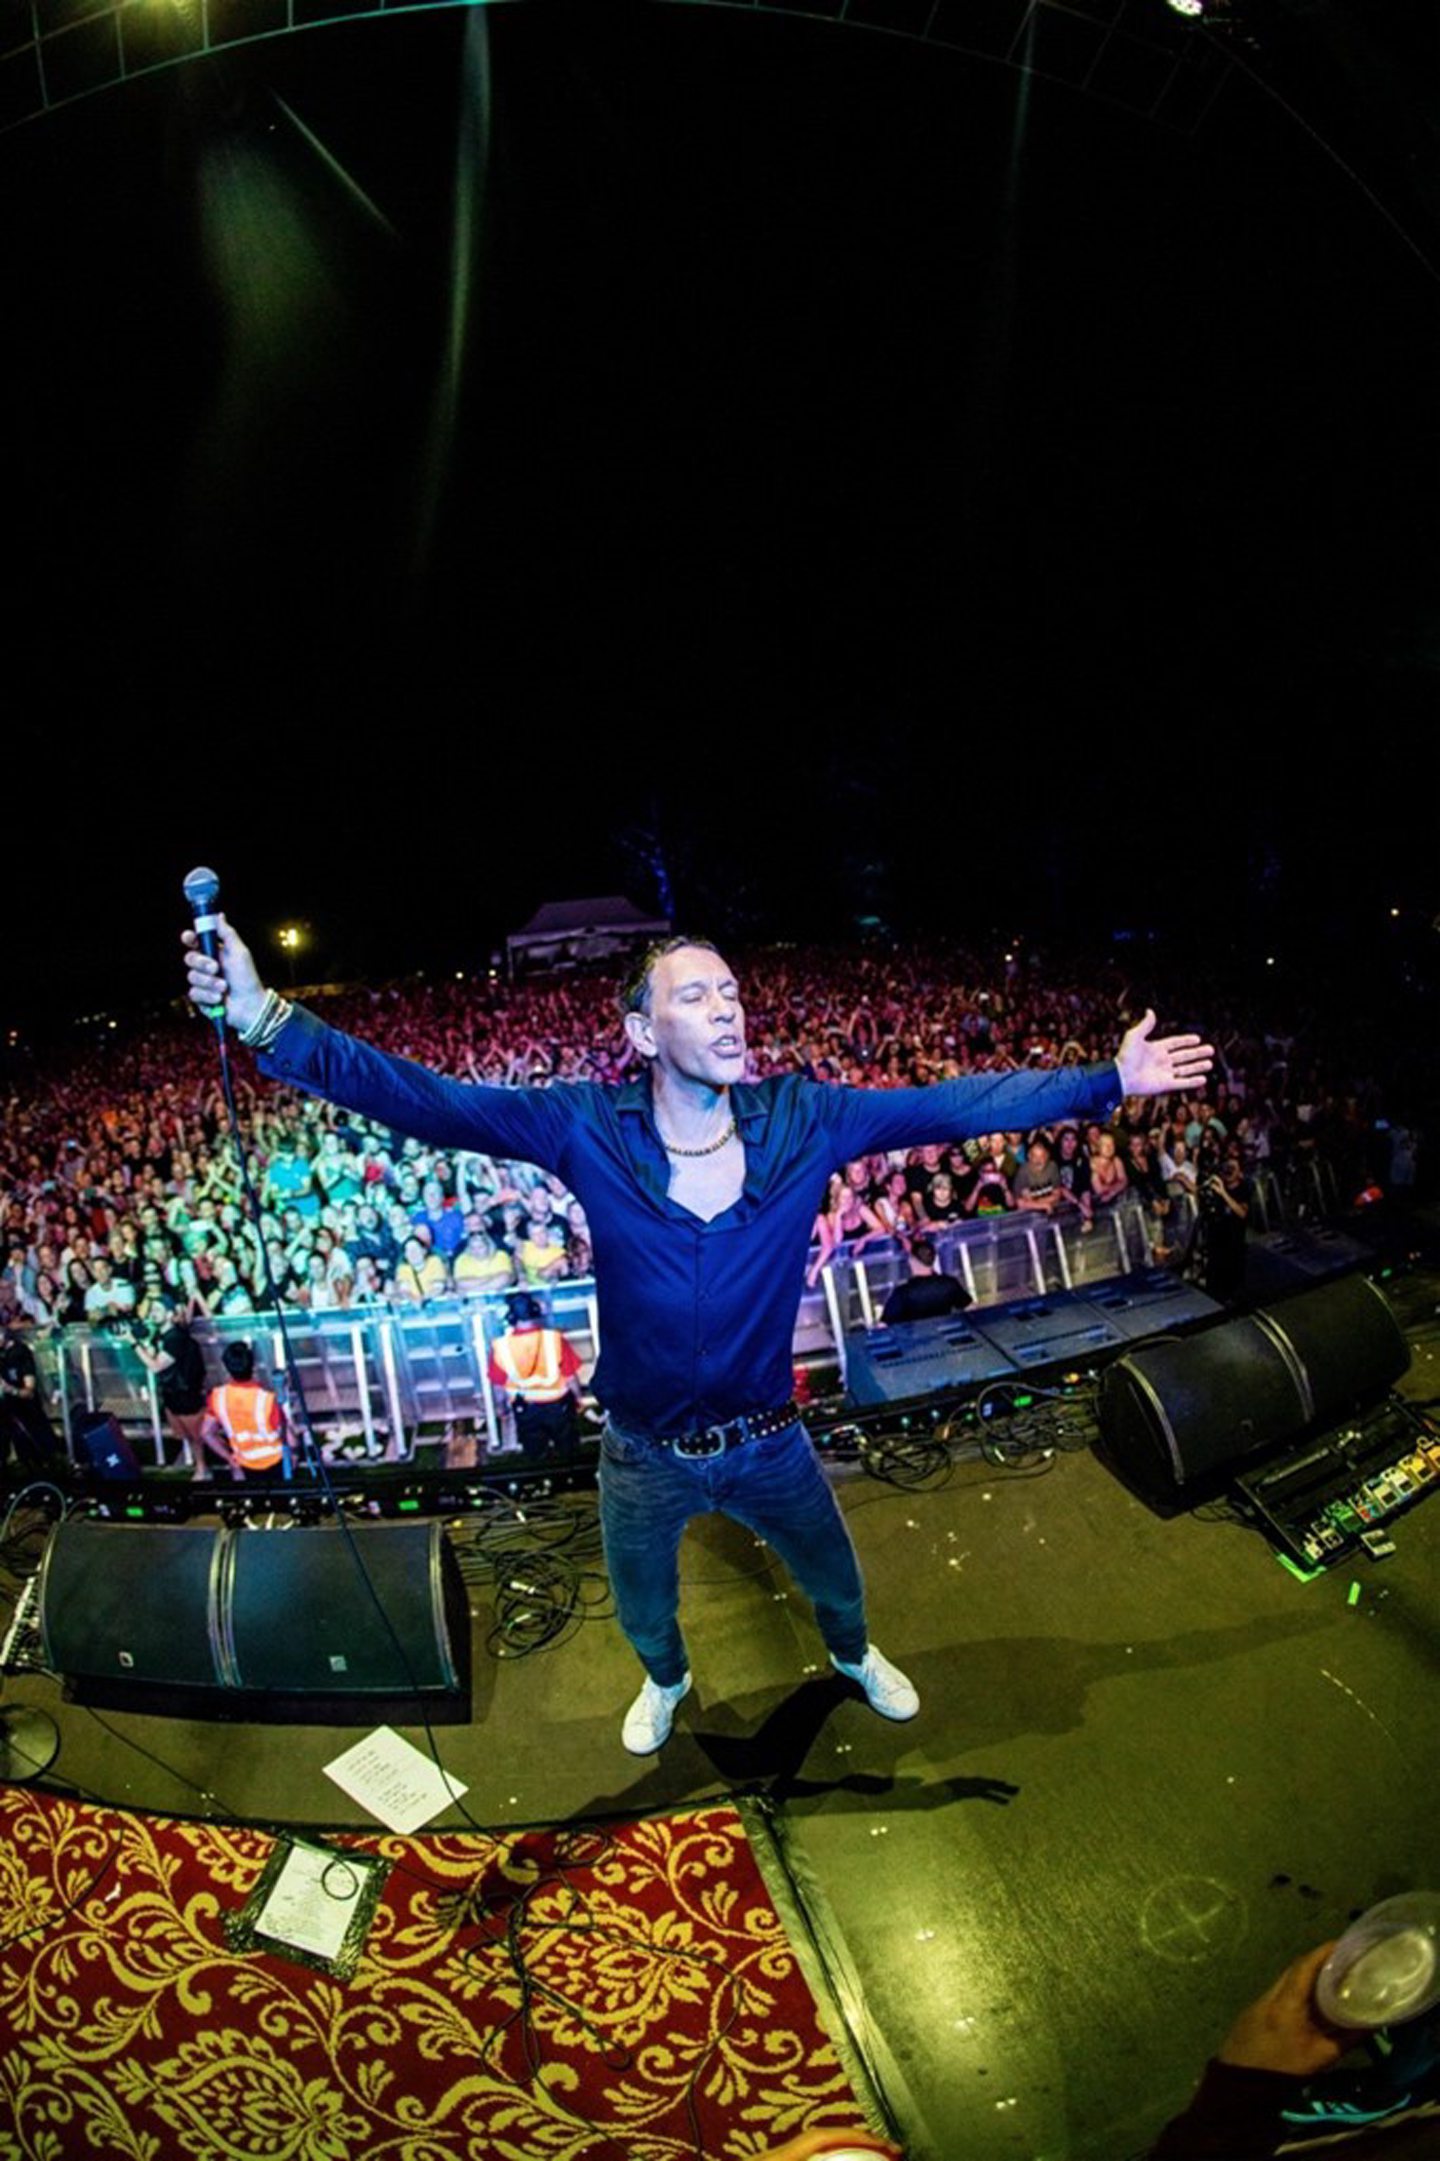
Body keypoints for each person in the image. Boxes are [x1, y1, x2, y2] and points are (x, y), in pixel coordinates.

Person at [184, 920, 1212, 1754]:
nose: (726, 1010)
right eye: (695, 995)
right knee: (641, 1607)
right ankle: (668, 1682)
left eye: (731, 994)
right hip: (641, 1454)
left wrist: (1107, 1082)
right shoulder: (586, 1126)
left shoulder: (804, 1117)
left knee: (836, 1579)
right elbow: (432, 1103)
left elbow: (951, 1105)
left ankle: (853, 1656)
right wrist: (267, 1018)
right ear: (641, 1031)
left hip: (772, 1443)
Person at [486, 1291, 584, 1462]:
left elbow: (498, 1386)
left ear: (509, 1316)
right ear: (535, 1311)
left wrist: (501, 1408)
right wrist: (578, 1398)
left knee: (535, 1453)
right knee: (569, 1452)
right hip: (558, 1406)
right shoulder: (554, 1339)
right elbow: (570, 1377)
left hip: (525, 1408)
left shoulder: (500, 1347)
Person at [201, 1338, 289, 1480]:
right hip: (275, 1463)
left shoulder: (217, 1397)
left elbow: (206, 1433)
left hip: (243, 1463)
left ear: (226, 1368)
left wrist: (230, 1459)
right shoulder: (267, 1399)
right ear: (253, 1366)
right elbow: (288, 1437)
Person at [0, 1321, 63, 1471]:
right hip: (9, 1415)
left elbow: (29, 1391)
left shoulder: (20, 1353)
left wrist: (8, 1389)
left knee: (41, 1456)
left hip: (28, 1415)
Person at [879, 1236, 971, 1324]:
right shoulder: (949, 1283)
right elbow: (971, 1308)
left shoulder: (903, 1293)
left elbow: (884, 1326)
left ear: (912, 1260)